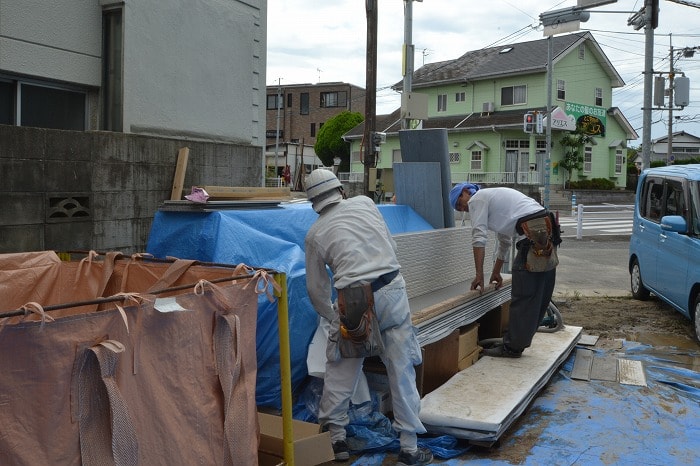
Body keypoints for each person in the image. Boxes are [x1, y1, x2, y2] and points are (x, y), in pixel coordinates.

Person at [304, 169, 433, 466]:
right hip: (390, 287)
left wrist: (334, 317)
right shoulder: (365, 203)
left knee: (343, 366)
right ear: (341, 190)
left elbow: (316, 289)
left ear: (313, 203)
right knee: (400, 368)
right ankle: (409, 448)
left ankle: (337, 439)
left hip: (353, 299)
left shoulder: (315, 234)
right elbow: (393, 246)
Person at [449, 183, 561, 358]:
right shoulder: (493, 200)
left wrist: (479, 275)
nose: (463, 208)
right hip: (543, 228)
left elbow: (478, 237)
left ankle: (512, 347)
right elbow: (505, 241)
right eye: (458, 208)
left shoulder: (477, 199)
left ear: (465, 192)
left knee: (524, 288)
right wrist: (496, 272)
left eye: (459, 202)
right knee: (540, 289)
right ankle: (519, 341)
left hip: (532, 230)